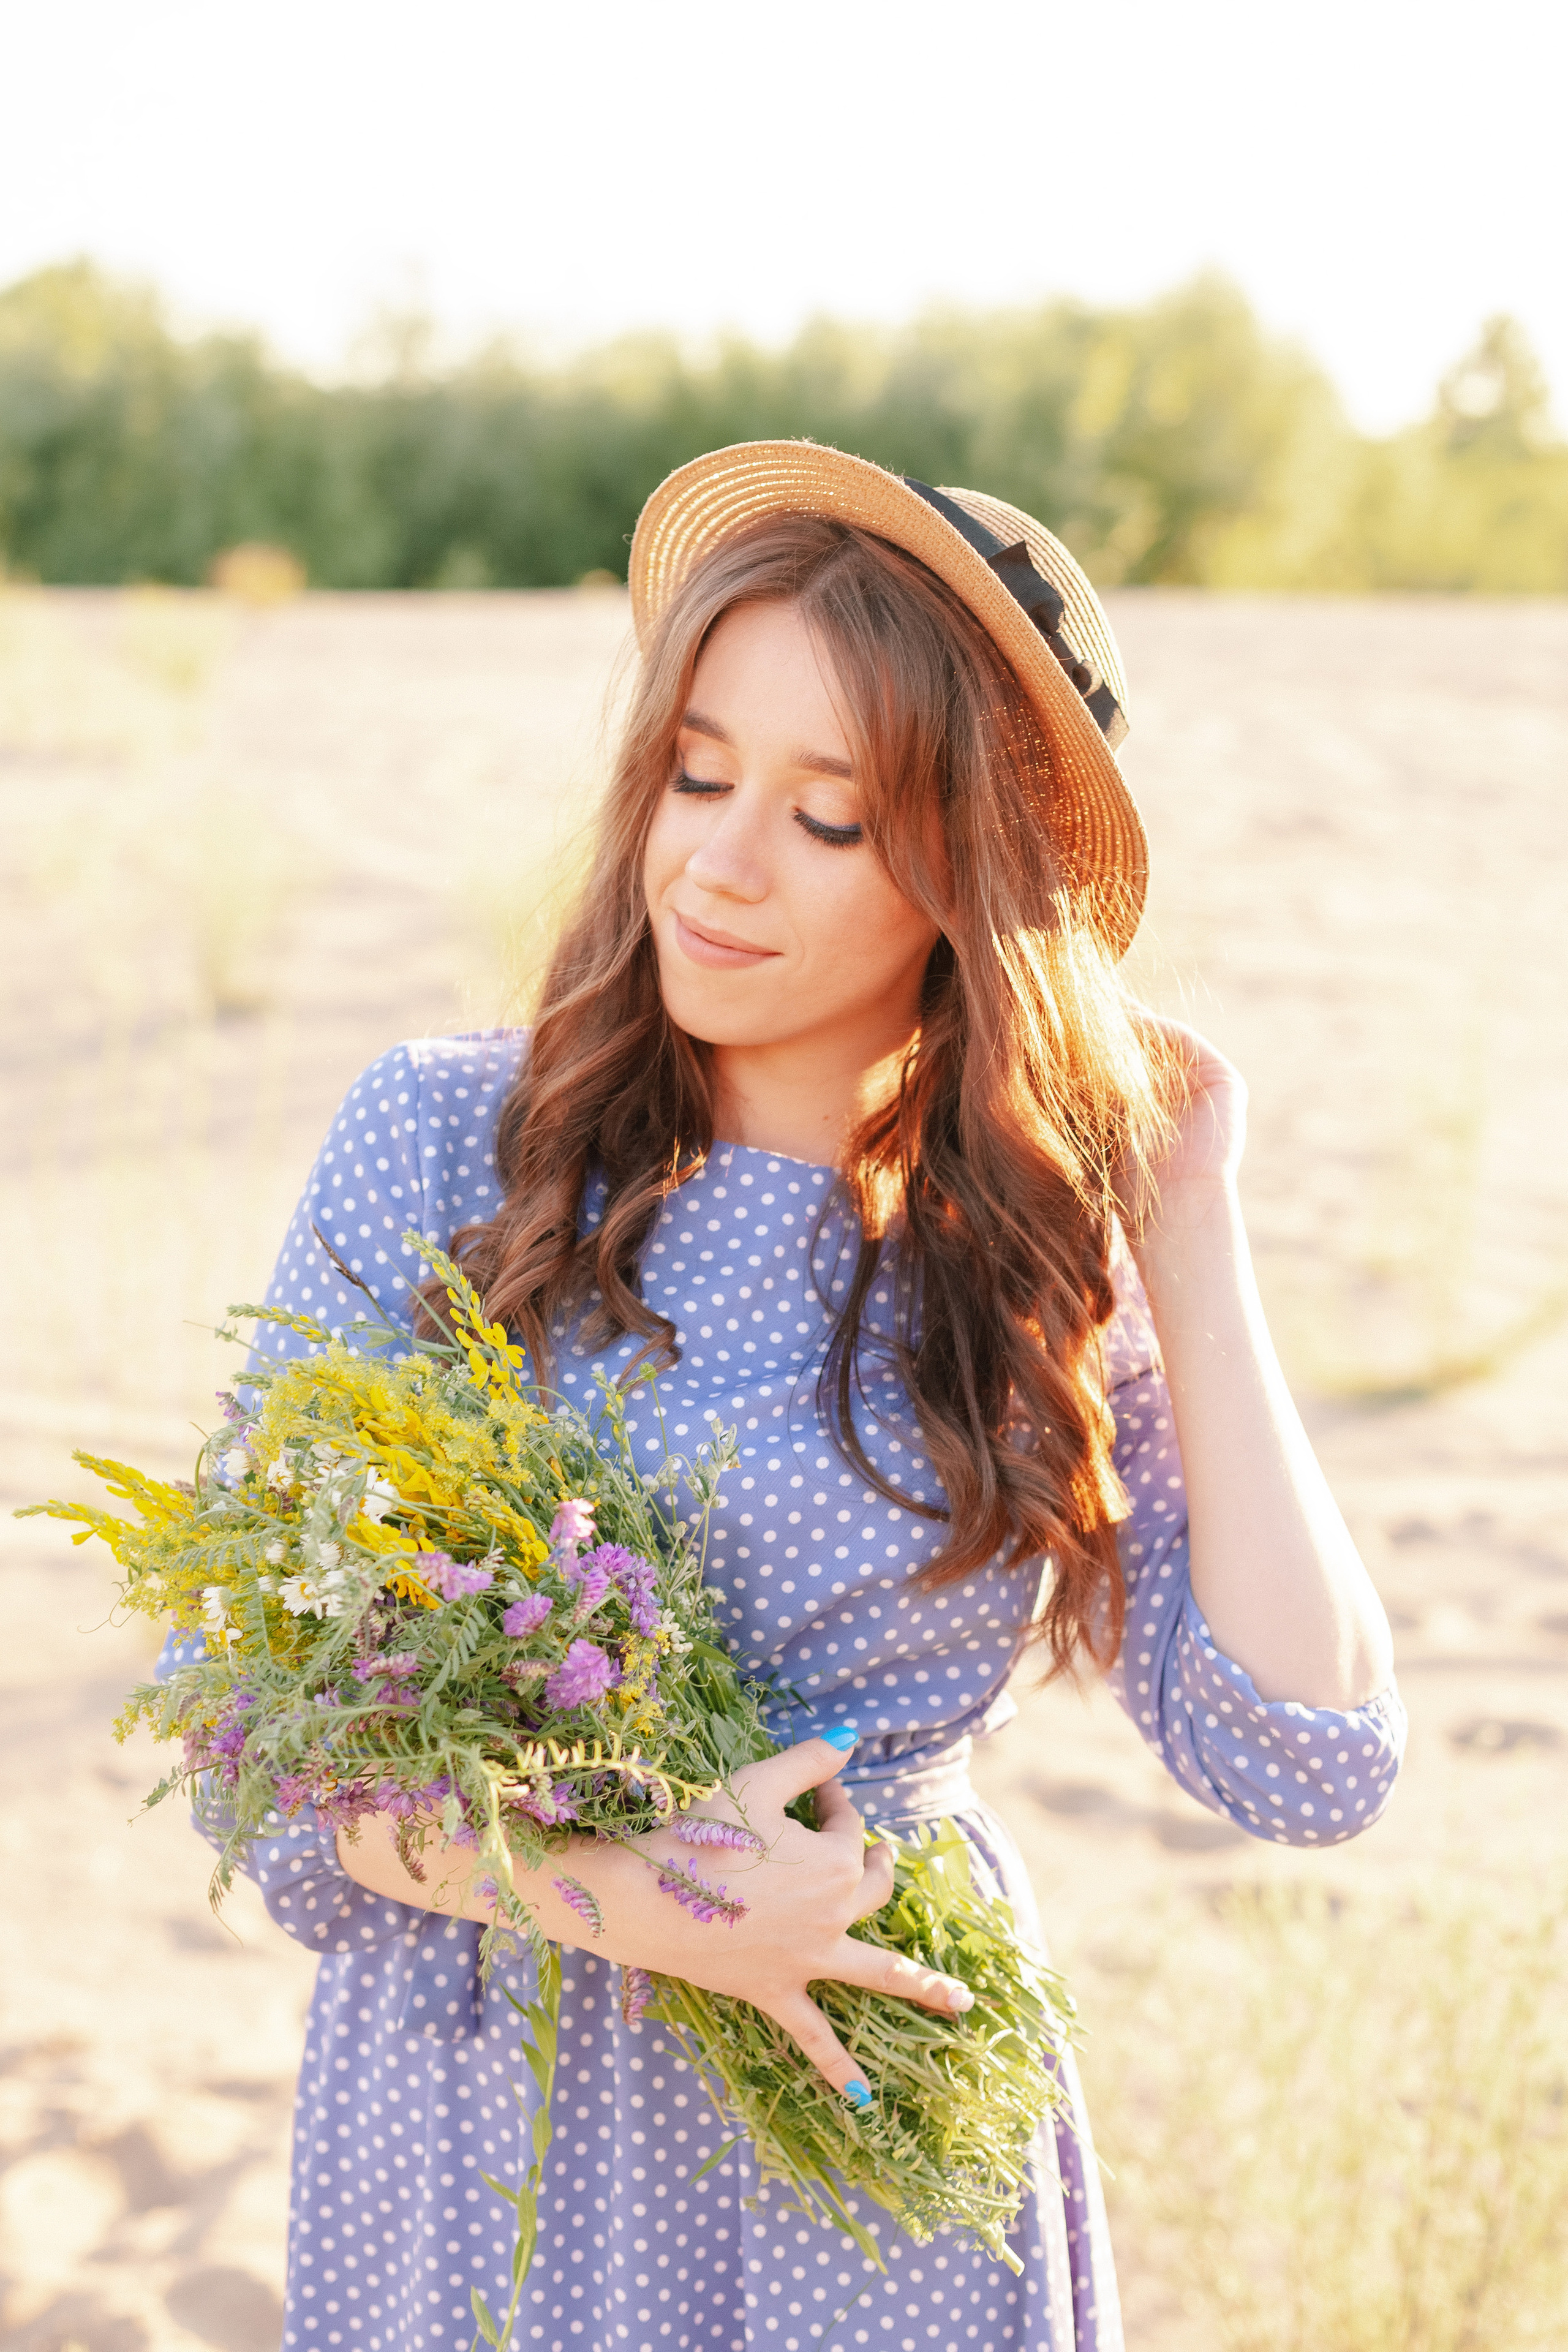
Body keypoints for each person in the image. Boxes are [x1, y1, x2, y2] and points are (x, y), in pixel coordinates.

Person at [186, 445, 1404, 2351]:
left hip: (869, 2132)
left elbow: (1310, 1756)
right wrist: (641, 1905)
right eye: (698, 772)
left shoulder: (1029, 1263)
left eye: (829, 819)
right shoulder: (441, 1142)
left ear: (966, 875)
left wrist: (1191, 1221)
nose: (719, 863)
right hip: (490, 2099)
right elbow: (258, 1743)